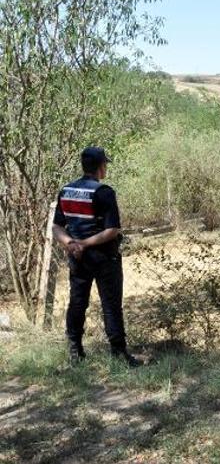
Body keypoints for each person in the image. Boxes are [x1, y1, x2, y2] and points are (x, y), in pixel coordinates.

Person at [52, 147, 142, 368]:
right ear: (101, 166)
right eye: (105, 164)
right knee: (111, 306)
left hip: (78, 259)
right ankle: (119, 354)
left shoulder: (66, 190)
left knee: (77, 303)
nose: (106, 168)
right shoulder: (104, 192)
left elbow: (56, 226)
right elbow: (112, 231)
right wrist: (82, 243)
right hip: (104, 258)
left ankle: (75, 352)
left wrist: (70, 243)